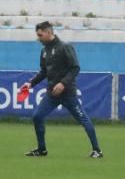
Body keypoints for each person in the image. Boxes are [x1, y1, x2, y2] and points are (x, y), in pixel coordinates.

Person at [21, 21, 103, 158]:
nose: (38, 38)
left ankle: (97, 150)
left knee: (83, 119)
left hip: (68, 93)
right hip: (52, 94)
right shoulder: (44, 50)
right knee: (37, 117)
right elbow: (43, 72)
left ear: (49, 32)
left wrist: (63, 84)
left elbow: (75, 68)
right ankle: (42, 150)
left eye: (40, 35)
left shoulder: (65, 47)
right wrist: (30, 84)